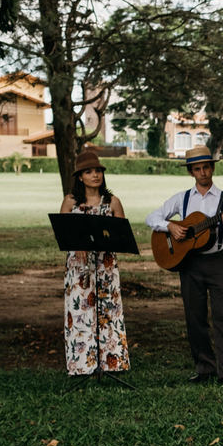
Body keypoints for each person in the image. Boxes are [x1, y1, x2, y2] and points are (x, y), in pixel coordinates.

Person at [145, 145, 223, 385]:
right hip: (190, 262)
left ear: (212, 168)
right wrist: (170, 226)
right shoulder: (182, 198)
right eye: (197, 169)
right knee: (194, 317)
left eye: (206, 167)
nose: (203, 173)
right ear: (191, 172)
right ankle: (204, 368)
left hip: (218, 262)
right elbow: (152, 217)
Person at [60, 150, 130, 376]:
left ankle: (111, 363)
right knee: (80, 311)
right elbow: (63, 233)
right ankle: (82, 365)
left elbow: (122, 235)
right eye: (89, 172)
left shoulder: (112, 201)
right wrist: (77, 241)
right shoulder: (70, 201)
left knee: (107, 311)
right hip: (79, 267)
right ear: (80, 177)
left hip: (105, 266)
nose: (95, 175)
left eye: (98, 171)